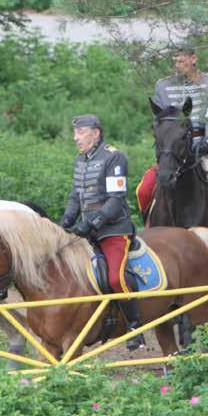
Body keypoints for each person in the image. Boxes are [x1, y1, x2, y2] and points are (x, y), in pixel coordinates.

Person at [59, 114, 144, 351]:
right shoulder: (81, 160)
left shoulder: (114, 157)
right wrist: (65, 221)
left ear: (96, 133)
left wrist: (94, 222)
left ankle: (135, 326)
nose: (76, 138)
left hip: (113, 230)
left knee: (116, 277)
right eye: (75, 133)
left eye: (81, 132)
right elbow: (75, 197)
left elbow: (116, 200)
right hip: (89, 232)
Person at [136, 44, 208, 215]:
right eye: (175, 61)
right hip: (175, 149)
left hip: (206, 145)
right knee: (143, 190)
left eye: (181, 61)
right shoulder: (162, 86)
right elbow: (159, 119)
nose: (177, 65)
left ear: (193, 59)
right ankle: (149, 230)